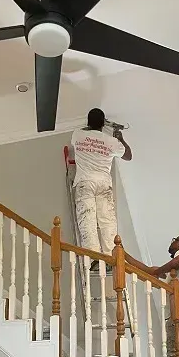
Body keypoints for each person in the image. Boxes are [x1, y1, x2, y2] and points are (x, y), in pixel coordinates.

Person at [71, 108, 132, 258]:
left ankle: (93, 257)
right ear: (103, 124)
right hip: (104, 183)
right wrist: (120, 139)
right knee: (107, 221)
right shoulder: (111, 141)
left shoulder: (77, 134)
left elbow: (85, 131)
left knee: (87, 220)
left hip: (85, 182)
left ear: (88, 122)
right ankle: (111, 256)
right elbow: (128, 156)